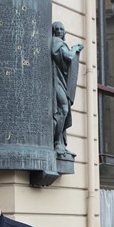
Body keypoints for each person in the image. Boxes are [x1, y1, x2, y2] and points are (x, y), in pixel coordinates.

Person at [51, 21, 83, 156]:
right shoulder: (57, 42)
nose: (59, 31)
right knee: (63, 109)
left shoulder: (59, 43)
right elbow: (69, 57)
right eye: (56, 29)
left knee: (63, 109)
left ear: (64, 32)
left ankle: (61, 143)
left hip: (61, 81)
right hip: (55, 82)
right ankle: (57, 142)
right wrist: (75, 48)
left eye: (61, 29)